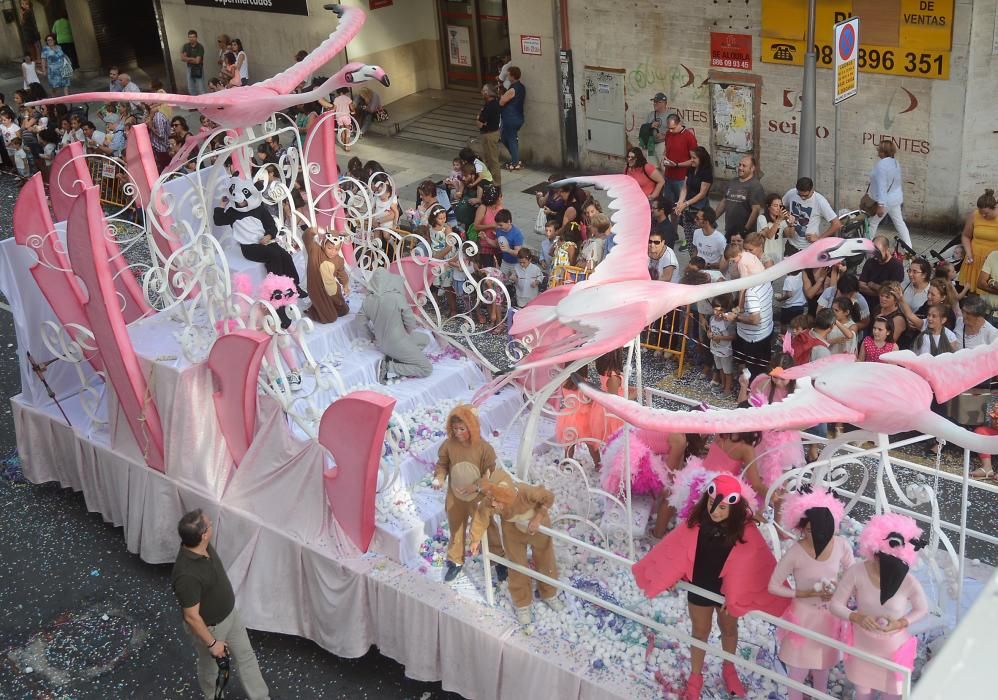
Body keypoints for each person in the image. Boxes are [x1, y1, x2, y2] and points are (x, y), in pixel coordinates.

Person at [633, 473, 788, 700]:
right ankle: (696, 678)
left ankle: (729, 667)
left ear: (734, 508)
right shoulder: (695, 523)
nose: (715, 511)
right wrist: (670, 575)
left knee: (729, 629)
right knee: (700, 631)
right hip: (700, 586)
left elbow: (754, 564)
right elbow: (676, 552)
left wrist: (738, 595)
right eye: (712, 504)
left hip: (727, 595)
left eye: (723, 508)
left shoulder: (745, 530)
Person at [171, 509, 270, 700]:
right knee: (211, 670)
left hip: (230, 616)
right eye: (209, 524)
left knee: (246, 657)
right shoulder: (186, 575)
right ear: (204, 534)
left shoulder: (202, 547)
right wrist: (212, 643)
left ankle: (261, 697)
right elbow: (191, 616)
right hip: (211, 629)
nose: (211, 525)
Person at [831, 513, 928, 700]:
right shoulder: (856, 572)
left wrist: (900, 623)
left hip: (894, 651)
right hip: (863, 648)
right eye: (879, 557)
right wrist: (857, 617)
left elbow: (922, 609)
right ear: (872, 549)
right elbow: (835, 605)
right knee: (862, 693)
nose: (881, 564)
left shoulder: (908, 581)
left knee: (892, 695)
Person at [768, 490, 854, 700]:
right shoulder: (796, 552)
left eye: (818, 530)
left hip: (828, 616)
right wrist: (804, 593)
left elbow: (853, 576)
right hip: (803, 617)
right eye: (807, 529)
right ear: (802, 526)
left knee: (822, 667)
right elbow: (773, 586)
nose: (811, 535)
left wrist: (839, 591)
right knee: (797, 670)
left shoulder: (841, 545)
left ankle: (820, 696)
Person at [473, 468, 563, 625]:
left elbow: (548, 497)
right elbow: (481, 516)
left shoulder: (526, 492)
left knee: (545, 558)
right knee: (516, 565)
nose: (493, 503)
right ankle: (522, 603)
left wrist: (538, 517)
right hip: (513, 530)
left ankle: (549, 592)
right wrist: (474, 539)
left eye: (497, 499)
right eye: (491, 499)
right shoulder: (492, 500)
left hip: (536, 526)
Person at [431, 405, 507, 582]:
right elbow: (442, 464)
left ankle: (499, 559)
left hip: (478, 498)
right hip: (455, 497)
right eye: (455, 429)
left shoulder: (484, 448)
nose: (458, 433)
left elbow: (491, 473)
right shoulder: (449, 445)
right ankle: (455, 560)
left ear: (471, 427)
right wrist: (440, 478)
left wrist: (478, 486)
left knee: (487, 527)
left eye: (462, 429)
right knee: (456, 527)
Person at [727, 274, 774, 378]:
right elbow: (742, 307)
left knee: (754, 369)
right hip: (765, 331)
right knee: (762, 363)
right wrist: (736, 312)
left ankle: (752, 389)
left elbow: (755, 319)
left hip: (753, 338)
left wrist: (736, 318)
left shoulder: (751, 292)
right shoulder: (765, 280)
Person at [782, 177, 842, 254]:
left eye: (806, 195)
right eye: (800, 195)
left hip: (809, 248)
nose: (802, 198)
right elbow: (781, 206)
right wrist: (787, 218)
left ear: (812, 190)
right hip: (791, 245)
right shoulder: (792, 193)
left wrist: (819, 239)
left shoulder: (820, 201)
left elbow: (837, 224)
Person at [867, 139, 910, 247]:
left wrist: (881, 205)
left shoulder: (882, 165)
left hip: (885, 200)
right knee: (900, 224)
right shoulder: (895, 162)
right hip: (895, 199)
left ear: (883, 151)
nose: (877, 150)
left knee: (872, 223)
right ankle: (909, 248)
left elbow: (882, 186)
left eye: (879, 149)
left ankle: (867, 246)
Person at [304, 229, 350, 324]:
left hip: (332, 288)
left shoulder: (339, 260)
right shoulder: (315, 251)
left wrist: (345, 285)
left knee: (343, 310)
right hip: (318, 290)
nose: (333, 252)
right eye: (330, 248)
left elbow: (342, 274)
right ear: (324, 244)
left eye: (336, 249)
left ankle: (324, 307)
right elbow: (306, 238)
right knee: (330, 318)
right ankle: (313, 311)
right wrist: (311, 231)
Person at [716, 155, 765, 238]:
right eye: (739, 165)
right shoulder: (732, 182)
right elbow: (724, 202)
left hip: (745, 234)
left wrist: (745, 230)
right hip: (729, 230)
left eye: (744, 166)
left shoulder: (755, 186)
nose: (740, 168)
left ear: (752, 168)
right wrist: (711, 219)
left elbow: (755, 211)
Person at [960, 189, 998, 294]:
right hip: (974, 259)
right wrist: (968, 253)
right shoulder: (975, 215)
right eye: (981, 213)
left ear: (994, 208)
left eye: (986, 213)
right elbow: (966, 236)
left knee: (988, 293)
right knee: (971, 293)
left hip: (992, 263)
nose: (983, 216)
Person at [676, 146, 714, 250]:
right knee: (689, 239)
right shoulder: (691, 169)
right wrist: (680, 202)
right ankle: (692, 259)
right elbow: (684, 187)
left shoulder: (706, 173)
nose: (691, 160)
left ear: (701, 159)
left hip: (699, 209)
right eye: (691, 157)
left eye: (694, 158)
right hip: (687, 209)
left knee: (699, 238)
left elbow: (702, 194)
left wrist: (686, 203)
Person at [860, 235, 905, 317]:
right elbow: (861, 285)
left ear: (887, 249)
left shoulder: (896, 266)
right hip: (865, 303)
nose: (876, 257)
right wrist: (880, 292)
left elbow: (892, 292)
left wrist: (872, 285)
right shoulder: (870, 262)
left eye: (878, 253)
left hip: (883, 308)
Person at [661, 114, 698, 204]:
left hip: (682, 178)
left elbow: (695, 160)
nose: (670, 130)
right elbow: (666, 149)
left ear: (679, 124)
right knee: (669, 206)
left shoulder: (689, 137)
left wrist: (677, 165)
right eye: (669, 128)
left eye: (673, 128)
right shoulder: (668, 134)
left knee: (681, 206)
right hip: (668, 175)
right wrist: (663, 158)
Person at [498, 66, 526, 170]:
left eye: (509, 74)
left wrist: (502, 96)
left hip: (511, 117)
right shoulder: (521, 87)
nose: (507, 76)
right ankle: (515, 158)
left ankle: (515, 163)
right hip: (518, 116)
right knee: (505, 137)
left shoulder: (513, 88)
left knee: (511, 139)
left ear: (513, 76)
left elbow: (502, 102)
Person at [709, 295, 737, 395]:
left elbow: (733, 336)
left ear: (725, 310)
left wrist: (720, 338)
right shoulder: (712, 318)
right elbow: (710, 329)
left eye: (720, 310)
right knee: (720, 368)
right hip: (715, 349)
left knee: (727, 371)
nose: (717, 313)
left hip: (725, 351)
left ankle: (728, 390)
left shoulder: (727, 322)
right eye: (715, 310)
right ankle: (723, 385)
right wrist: (709, 334)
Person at [756, 193, 793, 265]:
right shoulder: (762, 218)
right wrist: (779, 219)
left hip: (779, 256)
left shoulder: (781, 219)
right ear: (768, 207)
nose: (778, 208)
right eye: (775, 206)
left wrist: (792, 224)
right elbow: (769, 235)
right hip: (766, 258)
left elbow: (790, 234)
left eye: (780, 205)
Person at [477, 84, 502, 186]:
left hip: (490, 134)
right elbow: (480, 122)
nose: (482, 92)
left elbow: (480, 120)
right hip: (486, 133)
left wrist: (479, 119)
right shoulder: (488, 104)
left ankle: (496, 183)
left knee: (493, 159)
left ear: (488, 93)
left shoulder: (492, 105)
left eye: (483, 90)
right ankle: (489, 179)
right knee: (486, 158)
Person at [641, 92, 674, 162]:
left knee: (663, 166)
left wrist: (665, 136)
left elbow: (677, 130)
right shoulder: (651, 114)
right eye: (654, 102)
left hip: (662, 144)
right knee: (652, 166)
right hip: (651, 144)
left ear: (664, 103)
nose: (654, 104)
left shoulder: (670, 115)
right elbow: (644, 129)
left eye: (657, 102)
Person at [495, 208, 523, 280]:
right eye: (497, 225)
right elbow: (496, 244)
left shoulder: (517, 234)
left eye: (501, 225)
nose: (498, 227)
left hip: (516, 263)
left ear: (509, 221)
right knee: (501, 280)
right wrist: (486, 238)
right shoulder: (499, 230)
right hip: (505, 261)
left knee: (516, 282)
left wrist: (508, 250)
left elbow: (518, 253)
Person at [180, 30, 206, 96]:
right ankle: (194, 102)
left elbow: (197, 61)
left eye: (193, 37)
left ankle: (204, 102)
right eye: (190, 37)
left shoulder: (200, 47)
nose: (191, 39)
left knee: (201, 87)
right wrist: (192, 58)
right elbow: (182, 58)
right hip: (189, 68)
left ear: (196, 37)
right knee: (191, 87)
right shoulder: (186, 46)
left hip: (198, 68)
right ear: (188, 38)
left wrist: (187, 59)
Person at [332, 87, 354, 152]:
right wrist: (353, 111)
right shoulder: (348, 98)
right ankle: (347, 146)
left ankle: (343, 141)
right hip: (346, 116)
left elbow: (334, 109)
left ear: (339, 92)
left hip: (339, 117)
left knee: (342, 130)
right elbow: (352, 107)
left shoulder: (336, 99)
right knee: (347, 130)